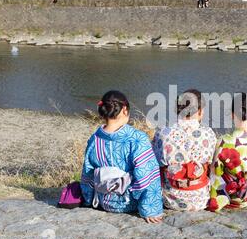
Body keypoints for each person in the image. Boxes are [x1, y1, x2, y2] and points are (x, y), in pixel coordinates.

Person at [80, 90, 164, 223]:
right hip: (128, 202)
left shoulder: (95, 139)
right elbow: (145, 175)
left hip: (103, 200)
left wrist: (88, 199)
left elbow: (88, 173)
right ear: (124, 109)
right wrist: (150, 209)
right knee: (149, 169)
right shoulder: (137, 138)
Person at [153, 89, 217, 211]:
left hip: (170, 199)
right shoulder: (208, 134)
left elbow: (156, 163)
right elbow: (212, 165)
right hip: (201, 199)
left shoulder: (163, 133)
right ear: (200, 111)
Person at [208, 93, 247, 212]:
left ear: (232, 115)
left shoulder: (224, 141)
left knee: (215, 173)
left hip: (232, 194)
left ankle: (220, 198)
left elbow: (215, 173)